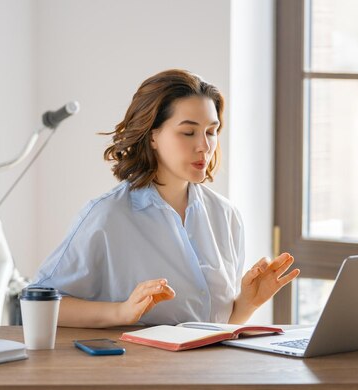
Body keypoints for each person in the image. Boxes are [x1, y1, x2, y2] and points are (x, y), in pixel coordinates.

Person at [33, 69, 300, 328]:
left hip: (212, 373)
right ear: (152, 136)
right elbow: (38, 304)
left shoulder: (226, 215)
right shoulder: (107, 216)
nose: (205, 146)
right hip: (142, 372)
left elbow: (217, 327)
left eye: (211, 131)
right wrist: (121, 311)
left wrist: (248, 303)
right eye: (188, 132)